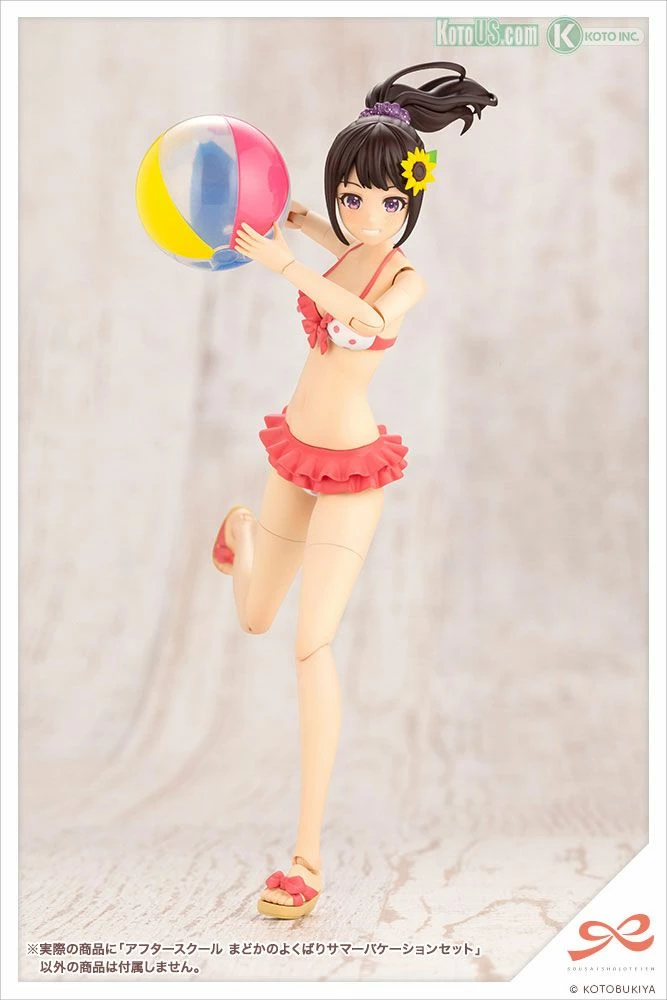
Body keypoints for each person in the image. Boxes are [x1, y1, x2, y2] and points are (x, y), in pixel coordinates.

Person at [212, 61, 497, 919]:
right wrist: (297, 224)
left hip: (352, 473)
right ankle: (240, 528)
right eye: (351, 198)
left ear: (411, 202)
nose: (368, 217)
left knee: (310, 645)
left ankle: (305, 858)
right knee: (255, 617)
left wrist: (284, 263)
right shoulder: (340, 249)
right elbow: (331, 257)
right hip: (293, 455)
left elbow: (365, 319)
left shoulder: (405, 280)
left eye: (387, 202)